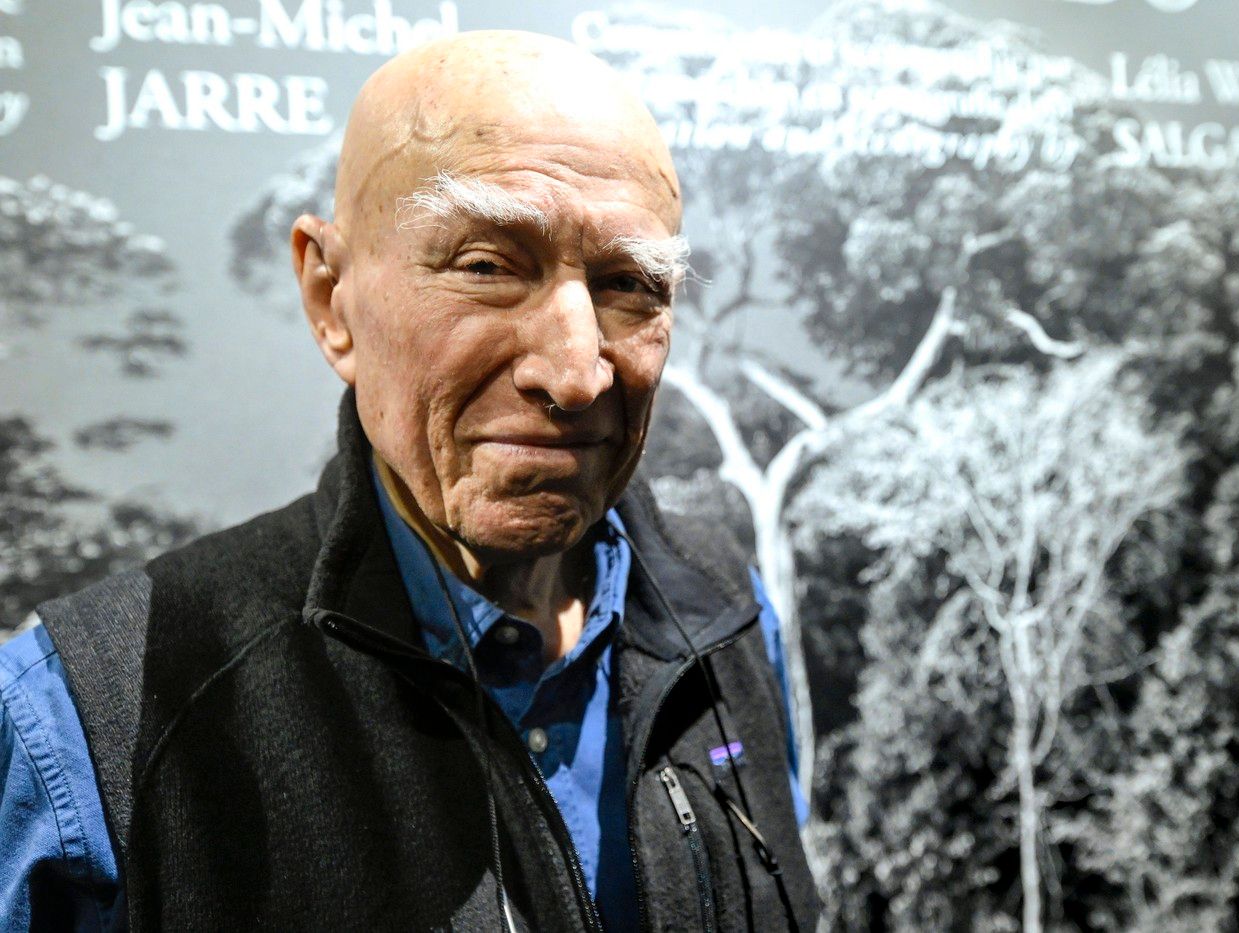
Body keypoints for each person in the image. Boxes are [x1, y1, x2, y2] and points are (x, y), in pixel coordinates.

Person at [0, 31, 818, 931]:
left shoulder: (725, 612)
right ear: (332, 298)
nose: (576, 371)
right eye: (487, 266)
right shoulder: (95, 719)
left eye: (628, 283)